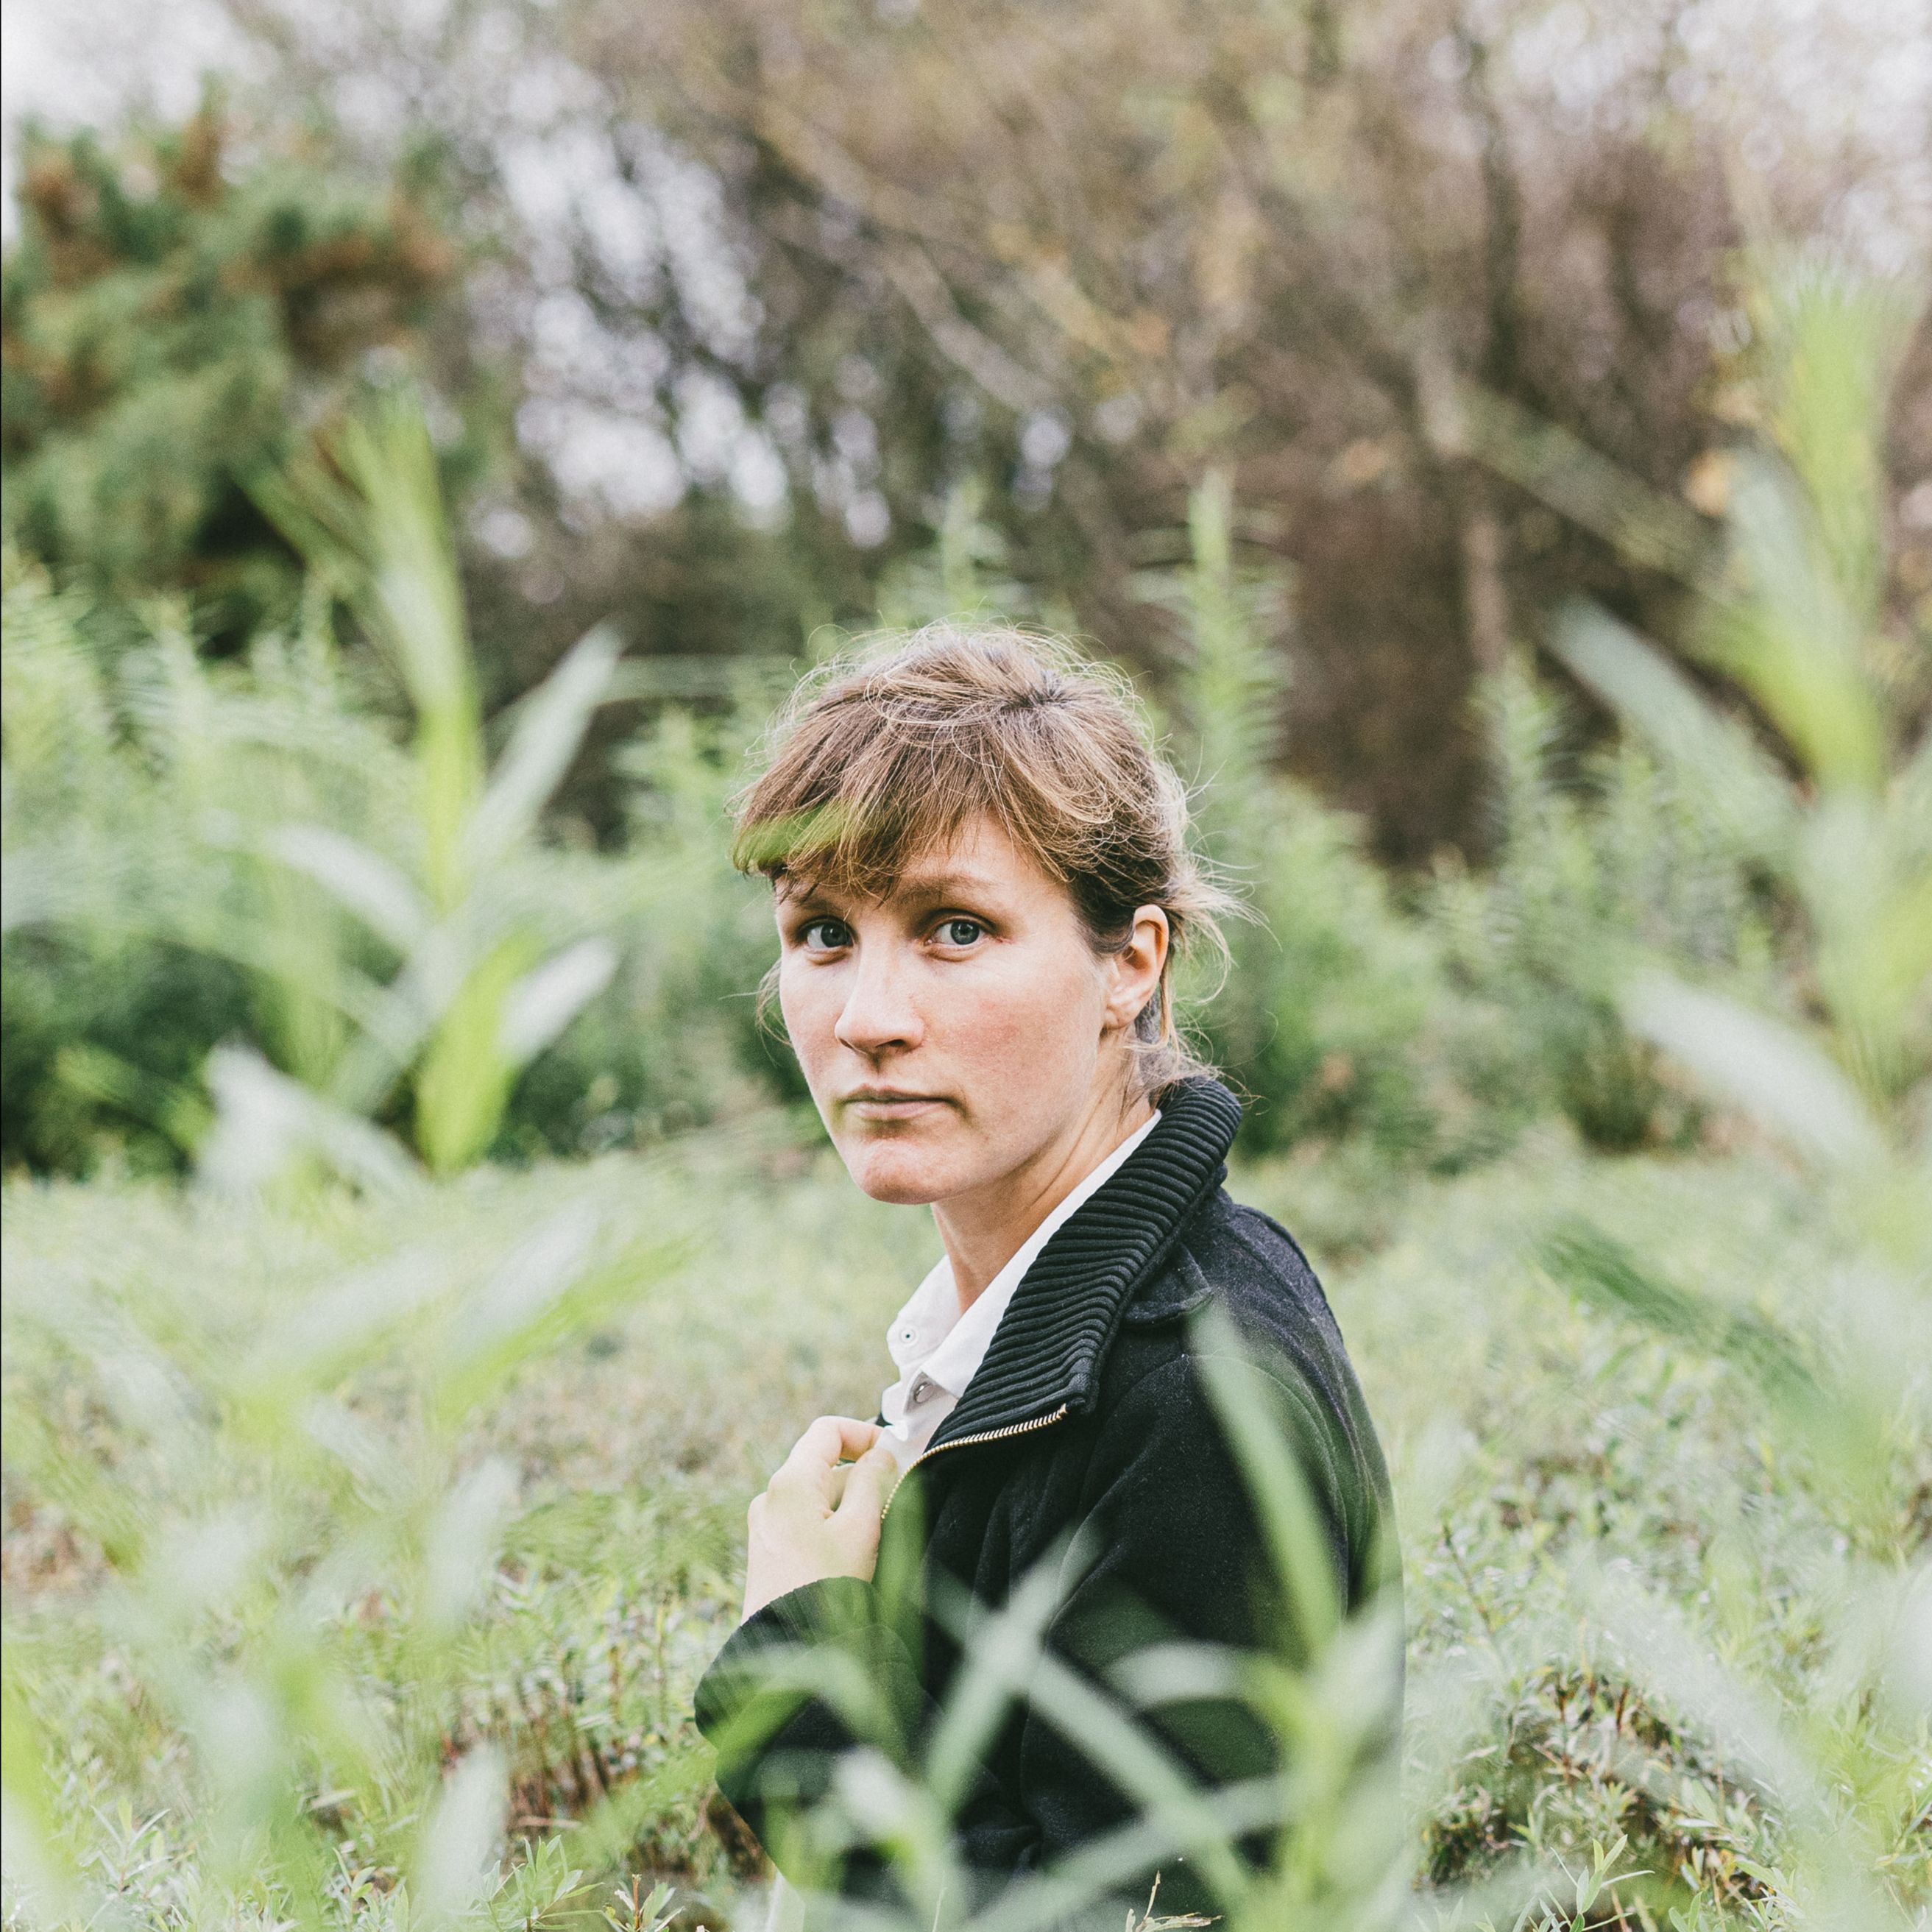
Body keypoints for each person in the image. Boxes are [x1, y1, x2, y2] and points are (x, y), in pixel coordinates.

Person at [693, 627, 1397, 1926]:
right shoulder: (1020, 1318)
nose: (866, 1016)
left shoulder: (1190, 1395)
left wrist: (802, 1653)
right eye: (822, 932)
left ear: (1130, 963)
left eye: (955, 928)